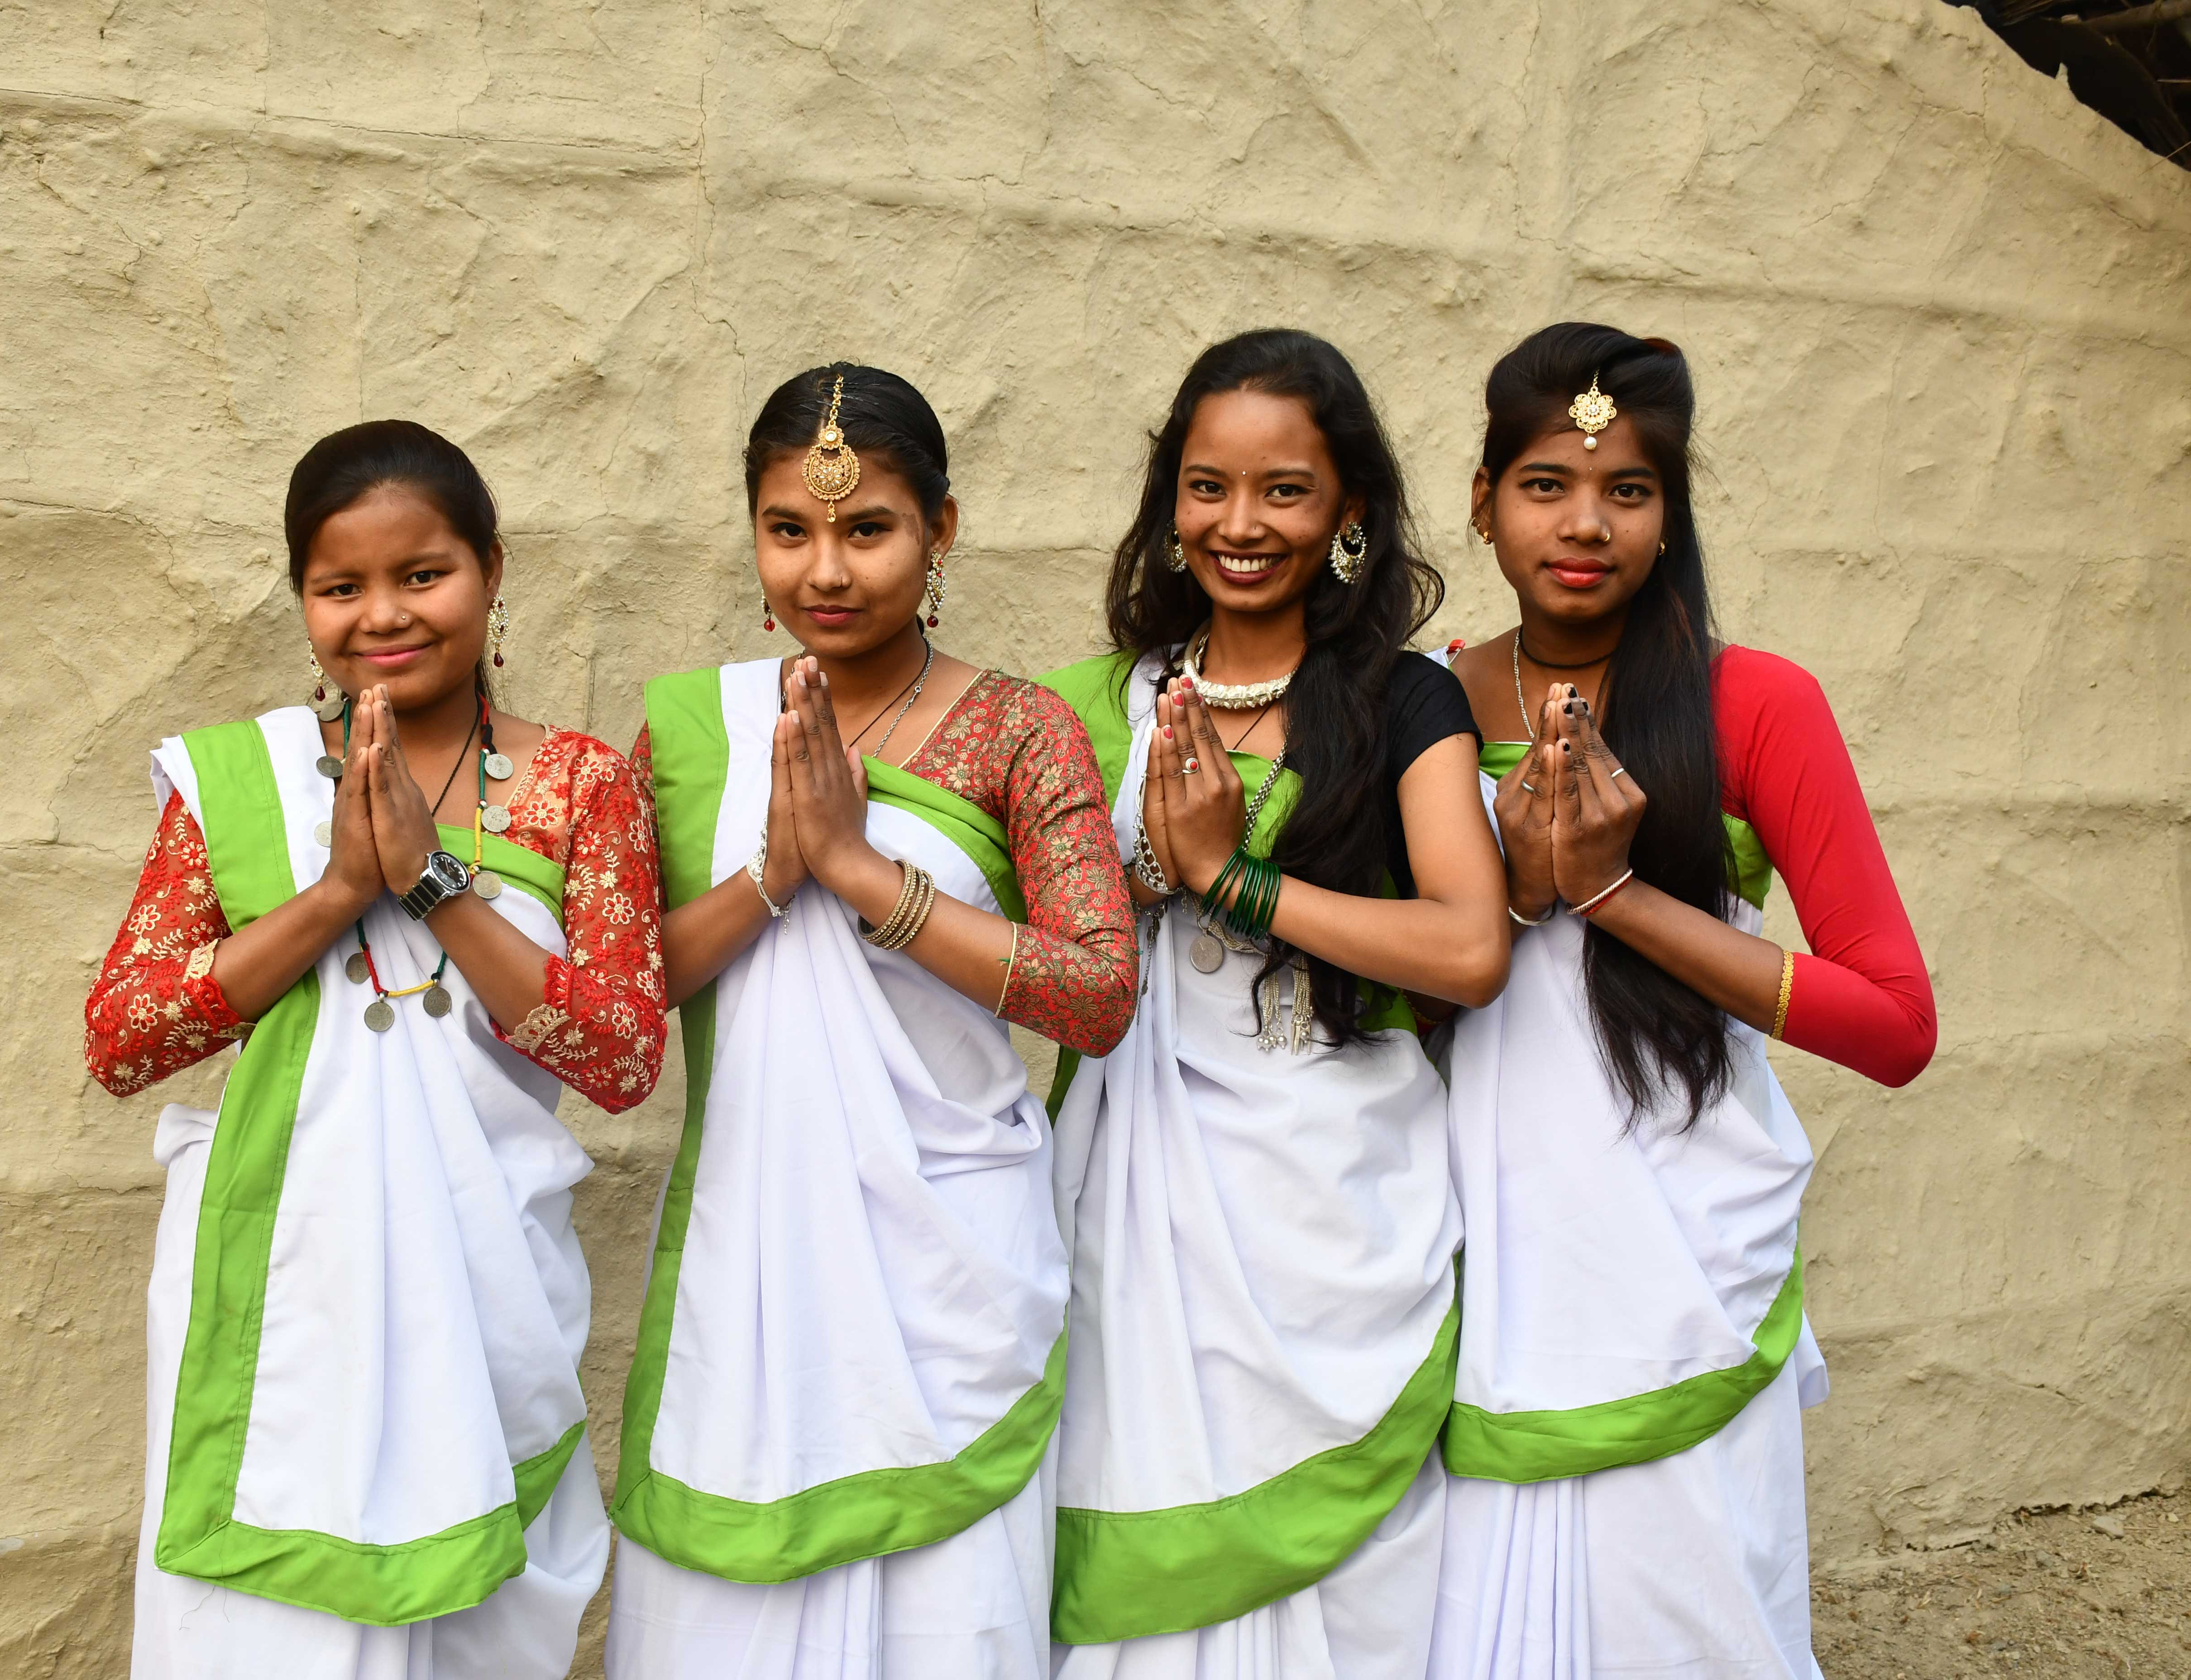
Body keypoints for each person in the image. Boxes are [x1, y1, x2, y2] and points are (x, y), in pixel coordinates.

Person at [83, 419, 665, 1679]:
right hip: (284, 1288)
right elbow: (125, 1036)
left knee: (475, 1613)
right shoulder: (245, 781)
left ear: (493, 570)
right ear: (304, 598)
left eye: (423, 575)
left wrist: (432, 879)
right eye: (341, 587)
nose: (383, 615)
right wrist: (339, 891)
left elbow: (622, 1058)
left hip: (486, 1280)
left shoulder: (580, 786)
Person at [605, 363, 1139, 1680]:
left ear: (941, 531)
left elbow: (1098, 992)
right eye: (790, 531)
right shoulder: (692, 729)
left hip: (953, 1264)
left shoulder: (1024, 729)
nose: (826, 570)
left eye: (868, 530)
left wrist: (863, 876)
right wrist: (774, 876)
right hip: (757, 1252)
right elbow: (618, 1004)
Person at [1427, 324, 1937, 1680]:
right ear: (1481, 502)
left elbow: (1896, 1027)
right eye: (1545, 484)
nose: (1584, 523)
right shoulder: (1420, 705)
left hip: (1678, 1261)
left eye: (1629, 490)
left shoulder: (1754, 705)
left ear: (1672, 516)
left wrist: (1610, 897)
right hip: (1476, 1252)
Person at [1040, 327, 1510, 1677]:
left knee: (1354, 1587)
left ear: (1349, 510)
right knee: (1139, 1514)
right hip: (1131, 1188)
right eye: (1207, 487)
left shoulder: (1402, 701)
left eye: (1284, 491)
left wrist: (1229, 882)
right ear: (1168, 500)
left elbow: (1470, 946)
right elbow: (1043, 931)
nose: (1240, 526)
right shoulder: (1098, 703)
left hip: (1326, 1197)